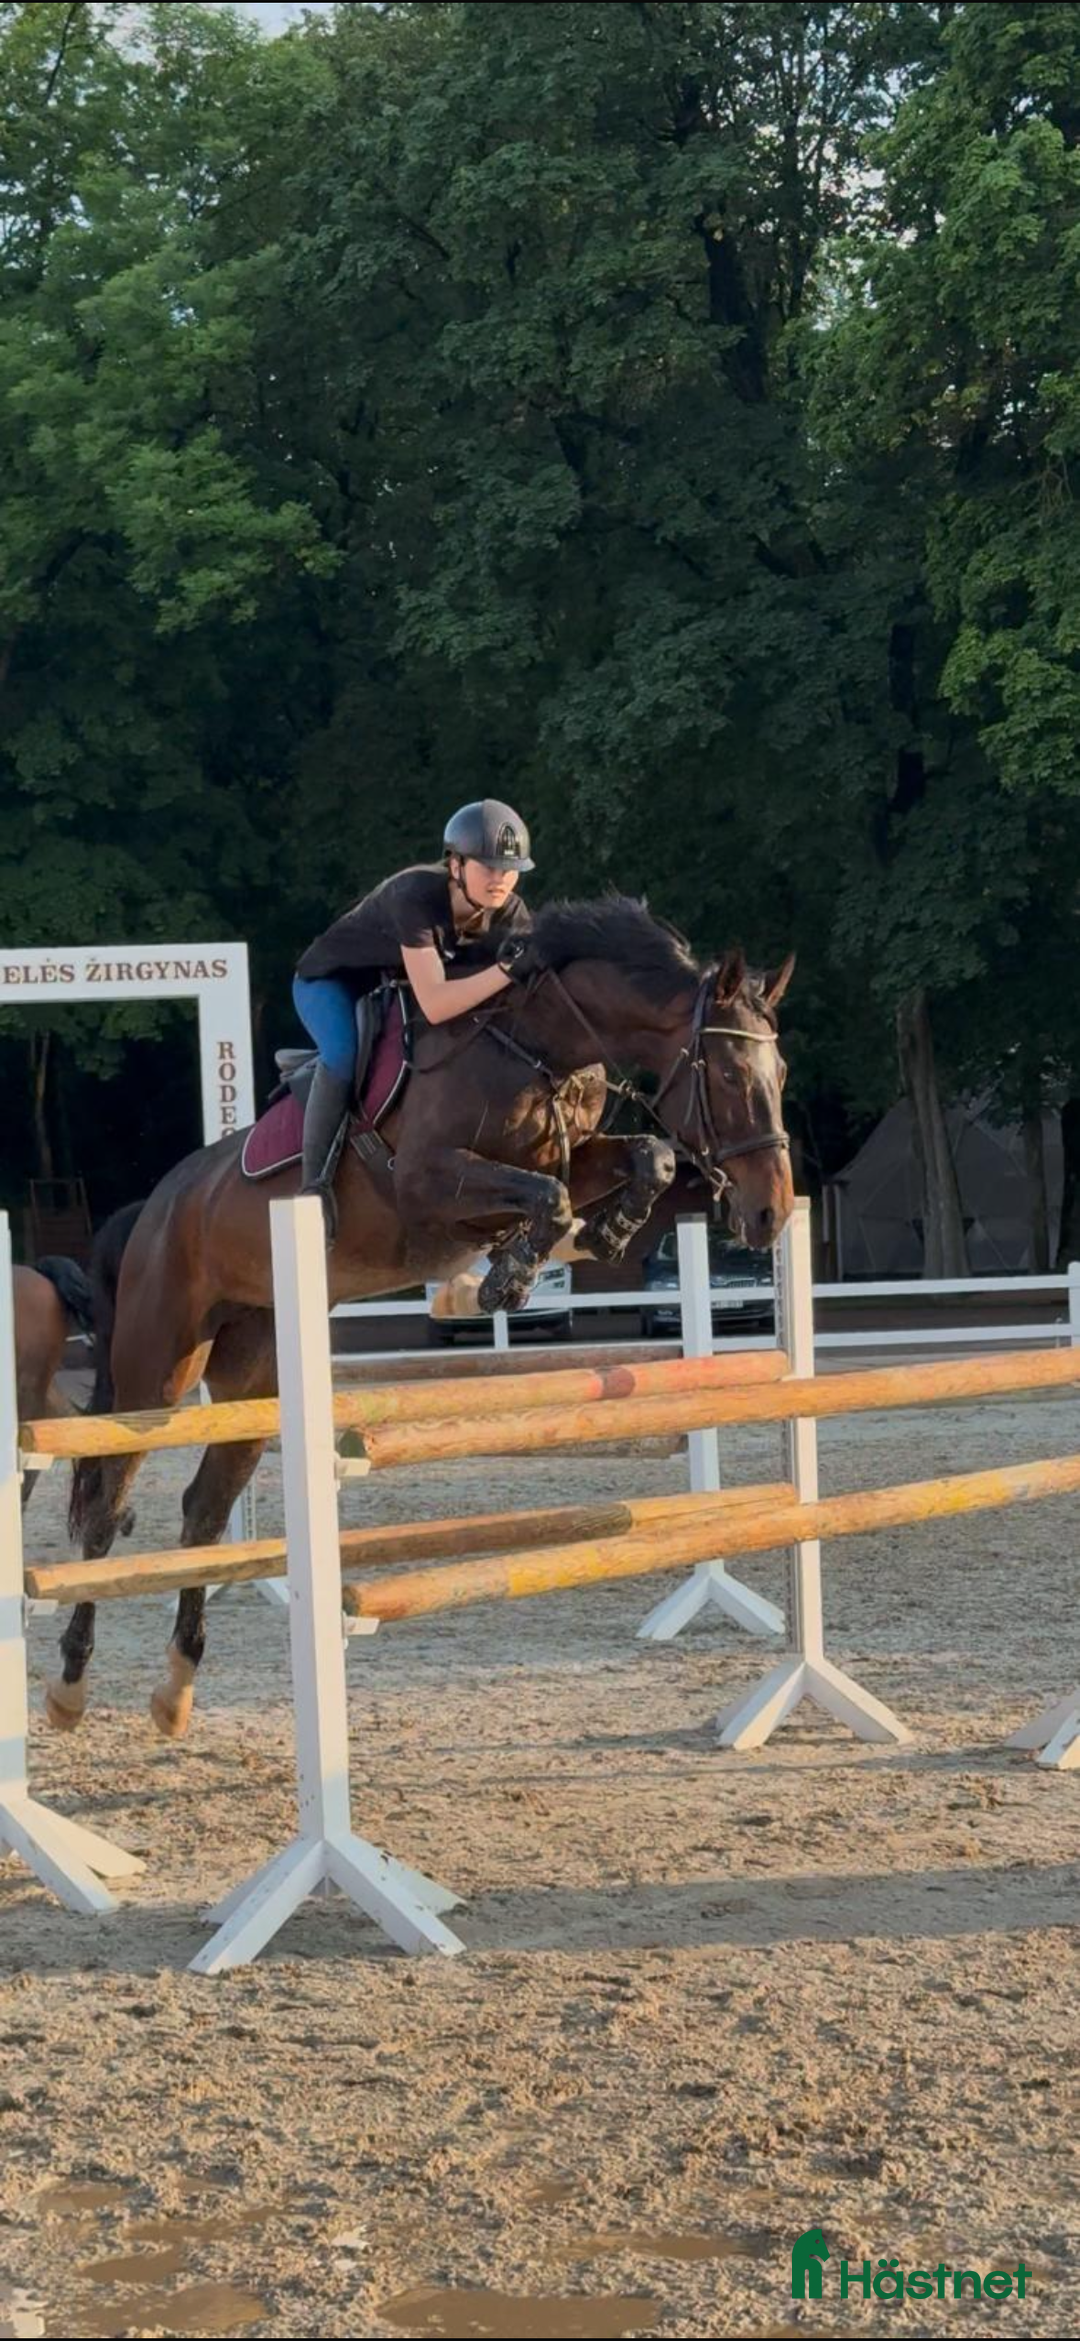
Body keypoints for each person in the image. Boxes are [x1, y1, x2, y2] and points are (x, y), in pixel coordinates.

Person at [292, 799, 535, 1242]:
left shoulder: (511, 913)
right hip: (332, 984)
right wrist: (504, 971)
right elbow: (440, 1002)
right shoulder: (417, 897)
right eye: (488, 866)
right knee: (343, 1053)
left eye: (510, 868)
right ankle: (314, 1187)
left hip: (396, 991)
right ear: (456, 864)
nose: (501, 878)